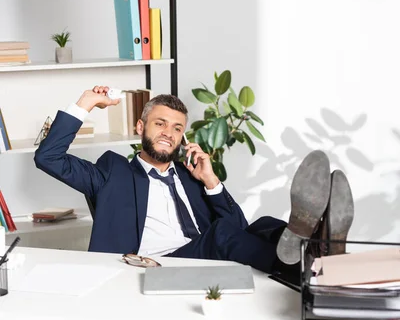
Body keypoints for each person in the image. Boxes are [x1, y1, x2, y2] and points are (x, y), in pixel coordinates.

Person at [34, 86, 354, 275]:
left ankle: (319, 248)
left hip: (200, 251)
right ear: (139, 127)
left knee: (265, 226)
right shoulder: (111, 174)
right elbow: (48, 158)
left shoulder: (189, 177)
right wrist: (86, 103)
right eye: (160, 123)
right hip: (156, 264)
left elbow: (238, 227)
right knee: (221, 235)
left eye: (176, 128)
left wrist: (211, 181)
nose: (168, 133)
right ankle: (314, 267)